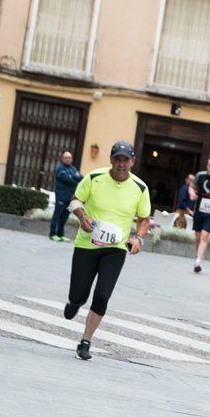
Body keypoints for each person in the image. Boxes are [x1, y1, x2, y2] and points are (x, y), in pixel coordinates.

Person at [63, 141, 151, 361]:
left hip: (116, 249)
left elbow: (144, 219)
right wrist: (82, 216)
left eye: (126, 159)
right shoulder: (94, 177)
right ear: (111, 159)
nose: (121, 164)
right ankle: (75, 302)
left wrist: (138, 237)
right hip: (86, 245)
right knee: (78, 293)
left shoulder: (140, 188)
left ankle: (85, 341)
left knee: (102, 295)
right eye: (117, 159)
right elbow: (75, 201)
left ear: (133, 161)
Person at [50, 151, 83, 242]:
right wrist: (74, 179)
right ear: (63, 159)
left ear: (71, 159)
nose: (68, 159)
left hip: (70, 197)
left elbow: (80, 177)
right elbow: (68, 180)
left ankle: (60, 234)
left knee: (64, 217)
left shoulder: (73, 169)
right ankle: (52, 234)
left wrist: (77, 178)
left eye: (69, 158)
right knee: (57, 215)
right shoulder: (60, 169)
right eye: (66, 157)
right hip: (61, 196)